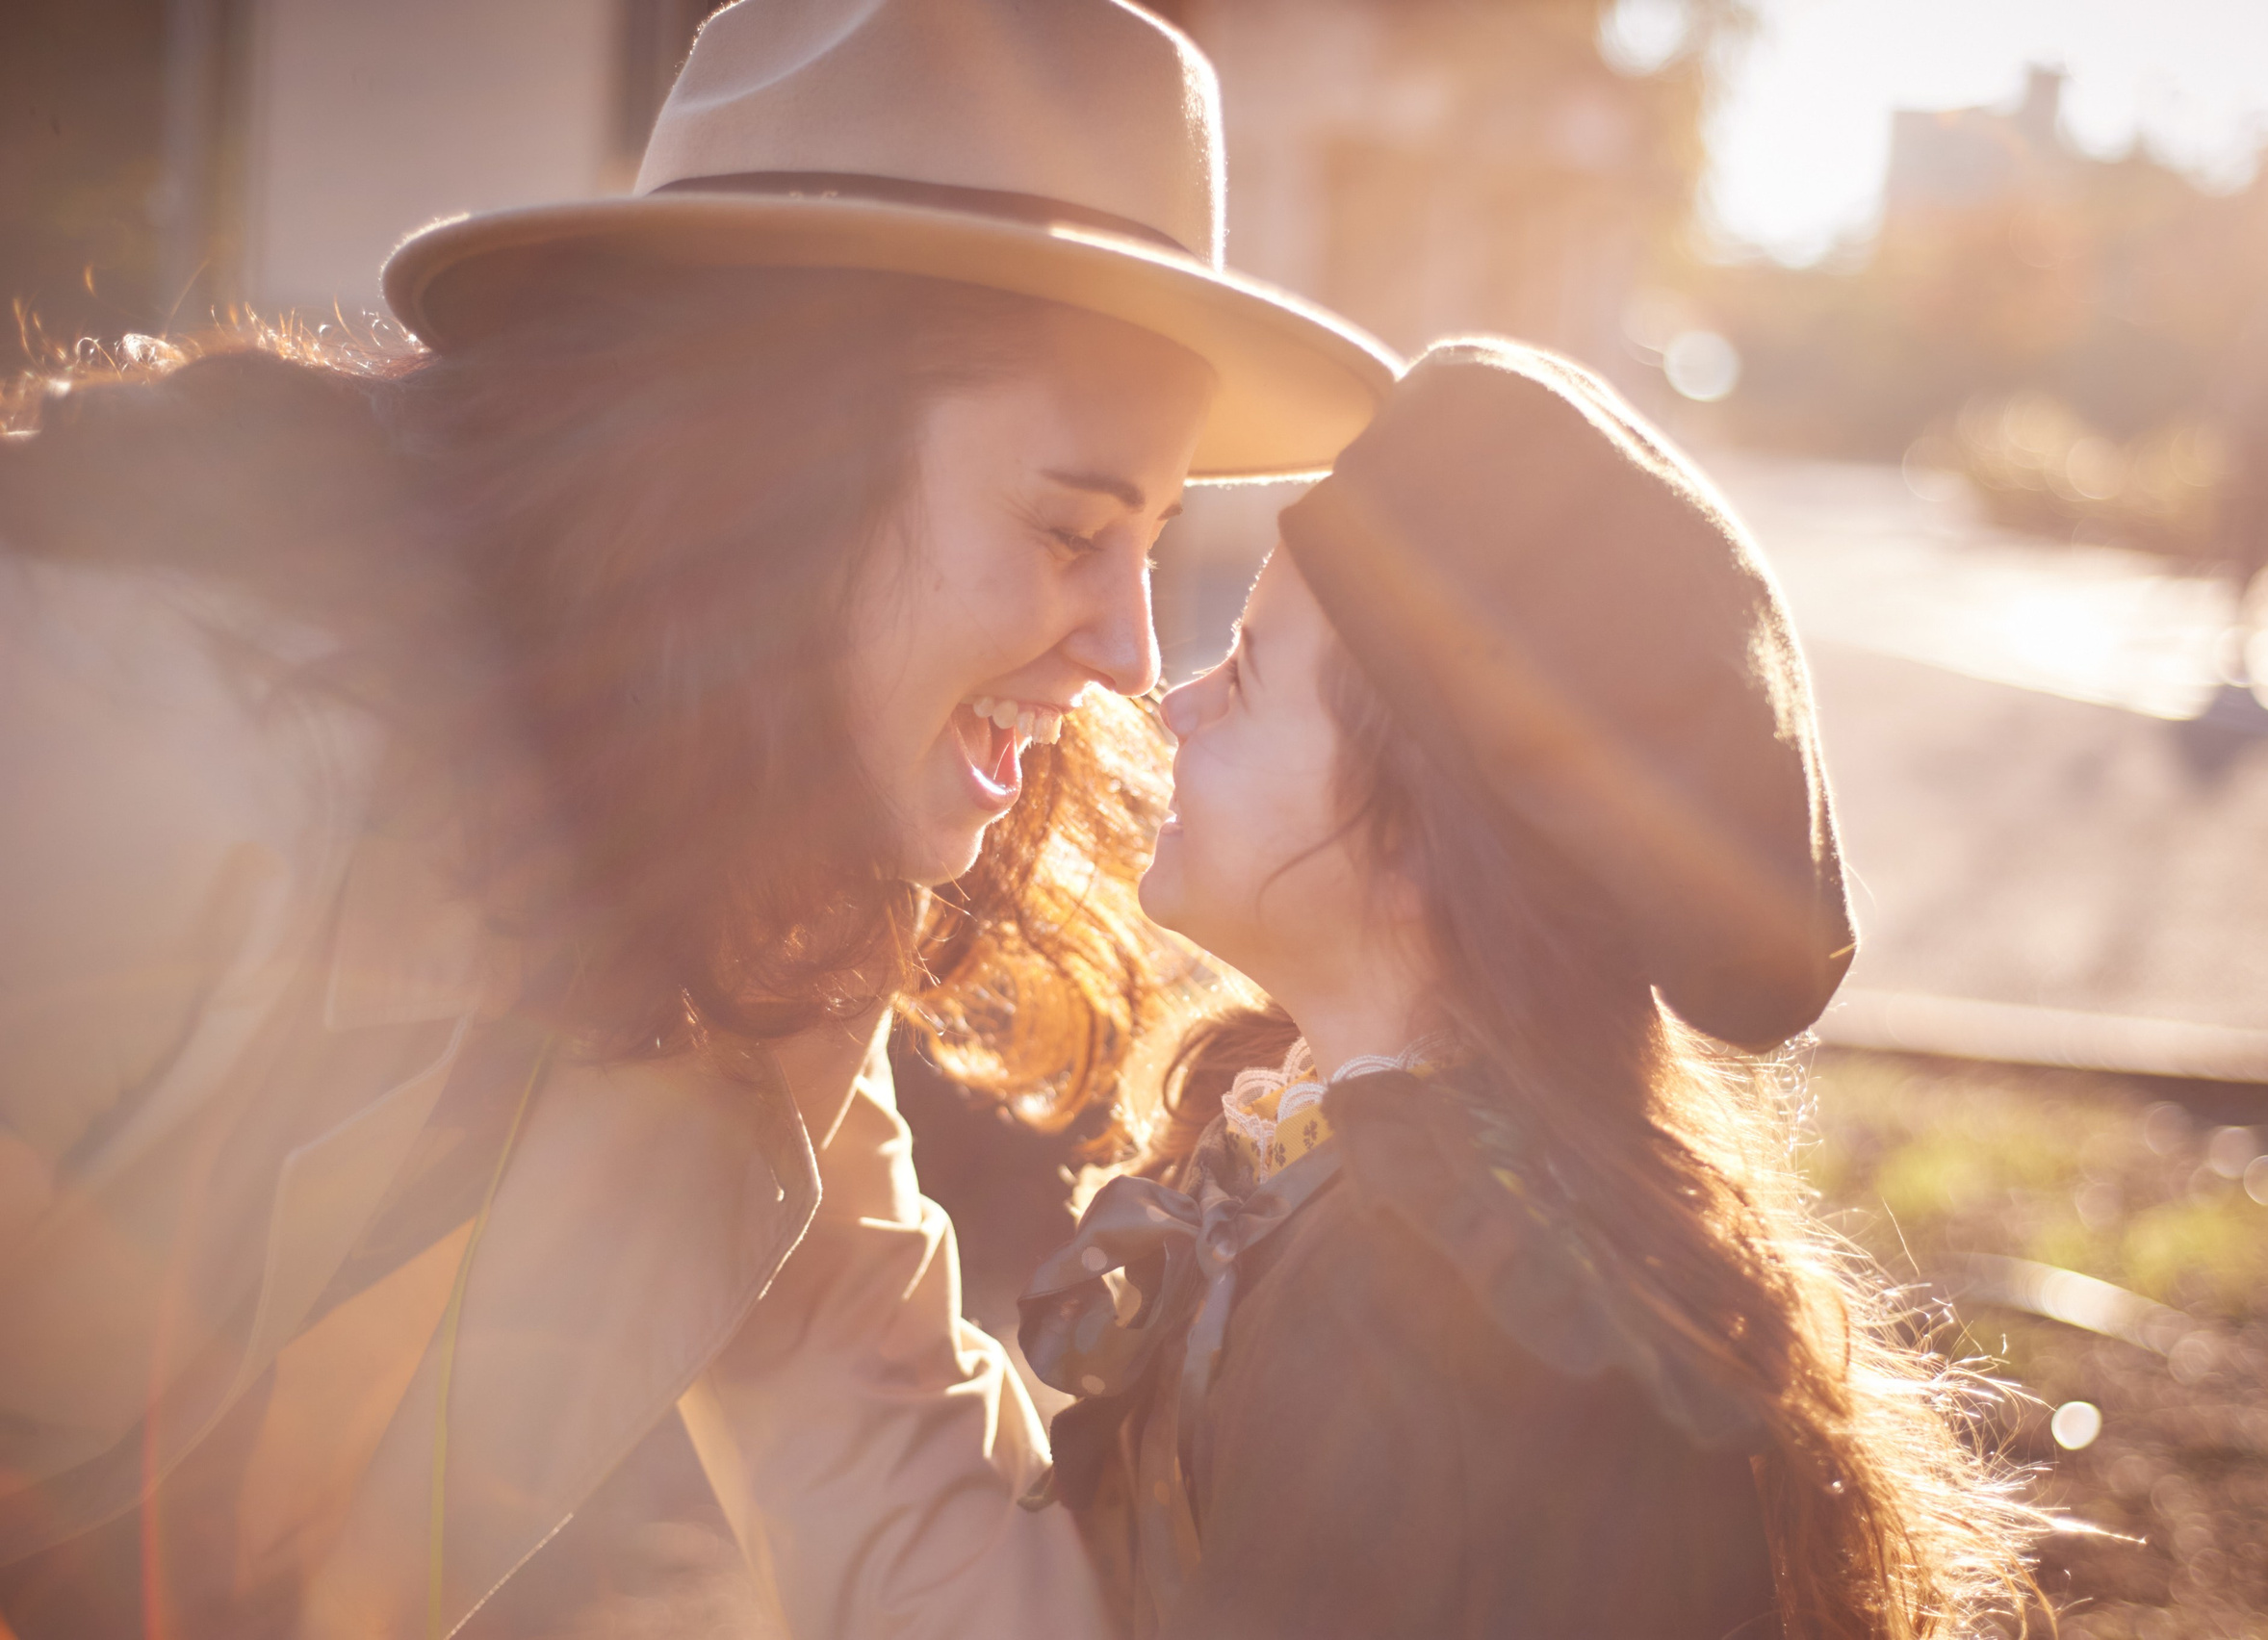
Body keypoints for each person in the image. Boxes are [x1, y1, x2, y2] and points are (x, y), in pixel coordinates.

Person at [0, 1, 1394, 1635]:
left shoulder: (759, 915)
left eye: (1150, 544)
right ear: (768, 476)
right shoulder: (113, 747)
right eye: (1069, 529)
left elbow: (884, 1442)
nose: (1129, 654)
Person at [1020, 343, 2041, 1638]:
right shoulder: (1374, 1172)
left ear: (1418, 848)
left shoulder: (1437, 1327)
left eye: (1247, 673)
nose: (1173, 704)